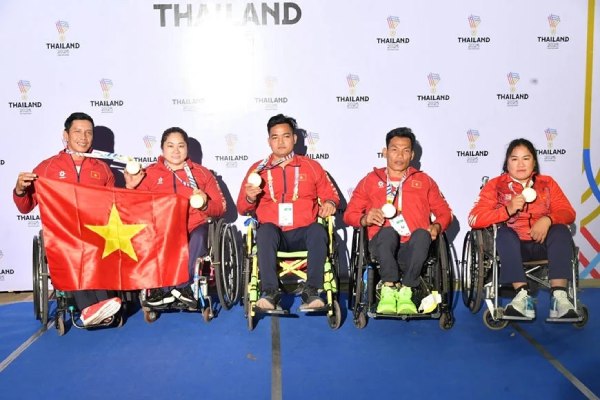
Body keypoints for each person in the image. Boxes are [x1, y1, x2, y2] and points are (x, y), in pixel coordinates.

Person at [13, 112, 122, 326]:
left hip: (94, 233)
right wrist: (20, 190)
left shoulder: (102, 170)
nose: (83, 137)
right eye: (77, 131)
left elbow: (114, 208)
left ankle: (100, 305)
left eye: (88, 132)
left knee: (95, 243)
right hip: (61, 235)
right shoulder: (47, 168)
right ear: (65, 135)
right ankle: (91, 307)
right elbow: (25, 207)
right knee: (73, 246)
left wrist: (131, 187)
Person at [344, 127, 453, 315]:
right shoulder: (370, 180)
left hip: (414, 247)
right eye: (394, 149)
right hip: (381, 246)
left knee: (422, 234)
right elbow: (348, 215)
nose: (400, 156)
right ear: (385, 152)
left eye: (405, 150)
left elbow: (445, 213)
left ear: (412, 155)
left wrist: (437, 225)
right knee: (388, 232)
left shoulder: (424, 181)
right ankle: (389, 288)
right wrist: (365, 218)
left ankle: (407, 291)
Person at [236, 114, 340, 310]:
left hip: (303, 232)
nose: (281, 142)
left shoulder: (311, 166)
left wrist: (329, 203)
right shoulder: (257, 170)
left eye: (286, 136)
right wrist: (249, 198)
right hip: (273, 234)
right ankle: (270, 292)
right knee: (265, 231)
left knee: (318, 230)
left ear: (294, 139)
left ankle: (311, 291)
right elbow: (242, 208)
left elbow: (332, 196)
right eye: (275, 137)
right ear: (269, 141)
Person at [468, 138, 577, 319]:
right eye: (514, 159)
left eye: (526, 158)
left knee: (560, 231)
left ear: (534, 162)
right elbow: (474, 218)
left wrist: (548, 219)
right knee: (504, 233)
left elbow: (568, 212)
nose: (520, 164)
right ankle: (522, 297)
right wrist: (507, 210)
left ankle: (559, 298)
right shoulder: (495, 185)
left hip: (543, 245)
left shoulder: (547, 183)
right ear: (507, 163)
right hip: (511, 248)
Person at [125, 127, 226, 308]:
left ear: (187, 148)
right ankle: (162, 288)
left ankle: (186, 287)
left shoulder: (202, 173)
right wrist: (131, 188)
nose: (176, 151)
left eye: (181, 146)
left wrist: (205, 204)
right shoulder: (148, 174)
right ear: (162, 148)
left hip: (194, 225)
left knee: (200, 236)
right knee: (157, 237)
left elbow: (220, 208)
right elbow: (132, 210)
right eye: (170, 146)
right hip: (163, 228)